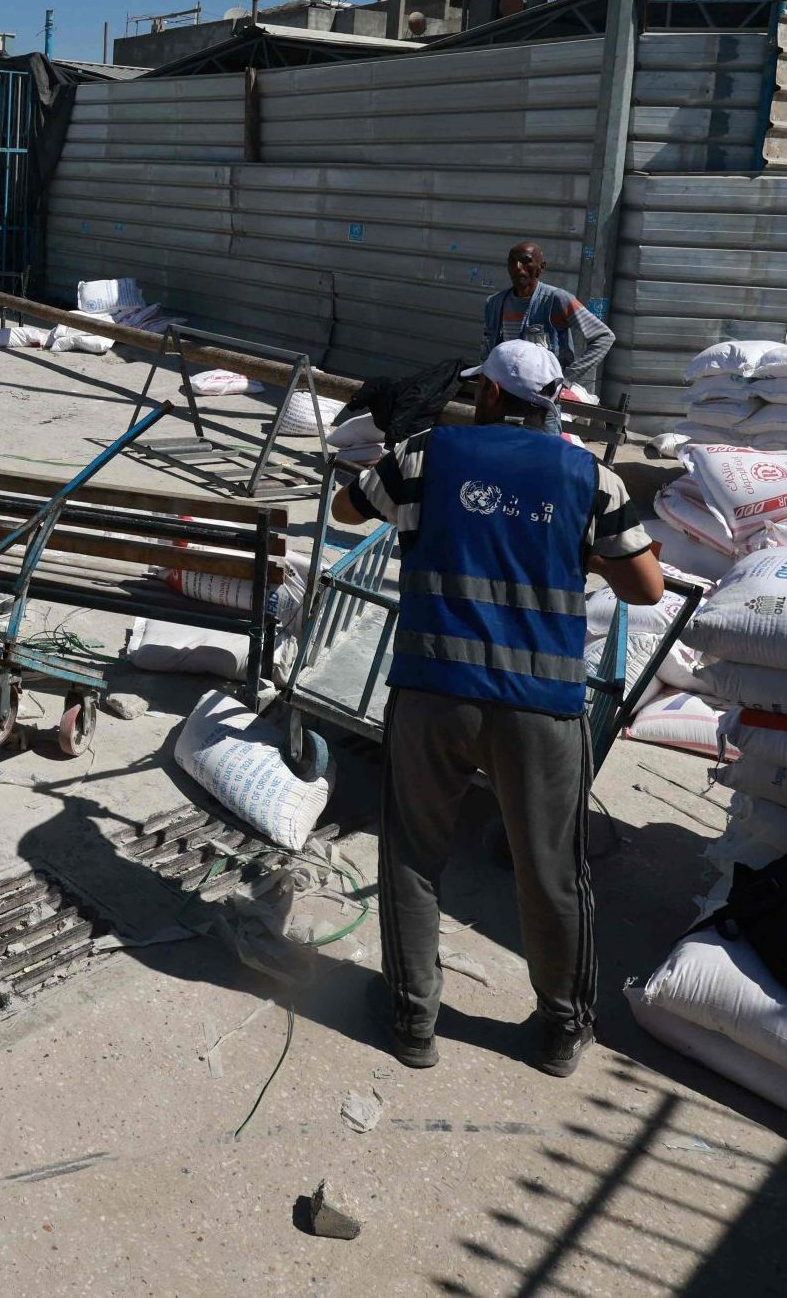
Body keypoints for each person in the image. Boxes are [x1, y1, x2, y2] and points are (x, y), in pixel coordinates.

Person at [330, 341, 664, 1079]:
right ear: (548, 404)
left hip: (432, 692)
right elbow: (647, 589)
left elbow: (343, 509)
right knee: (550, 871)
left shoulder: (424, 454)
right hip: (538, 707)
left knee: (413, 857)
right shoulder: (588, 475)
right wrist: (578, 547)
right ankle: (560, 1030)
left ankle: (412, 1018)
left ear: (486, 396)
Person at [482, 241, 614, 386]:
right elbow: (487, 349)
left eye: (525, 262)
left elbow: (604, 337)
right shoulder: (495, 303)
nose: (517, 268)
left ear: (541, 267)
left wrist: (566, 379)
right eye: (512, 262)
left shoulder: (557, 300)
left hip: (544, 393)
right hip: (506, 388)